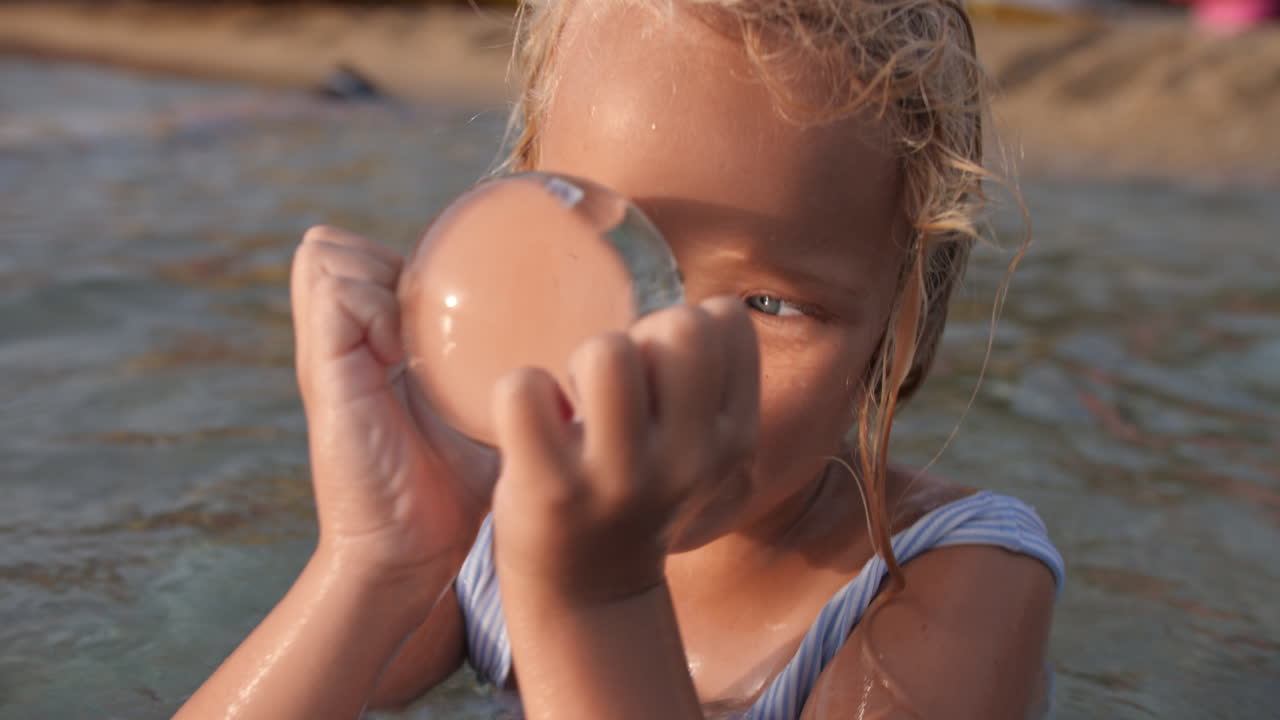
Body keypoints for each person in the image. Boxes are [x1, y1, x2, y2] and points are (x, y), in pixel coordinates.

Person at [174, 0, 1064, 717]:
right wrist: (379, 561)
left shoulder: (955, 580)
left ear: (901, 325)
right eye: (617, 264)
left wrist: (596, 601)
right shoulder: (486, 527)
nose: (663, 355)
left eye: (767, 304)